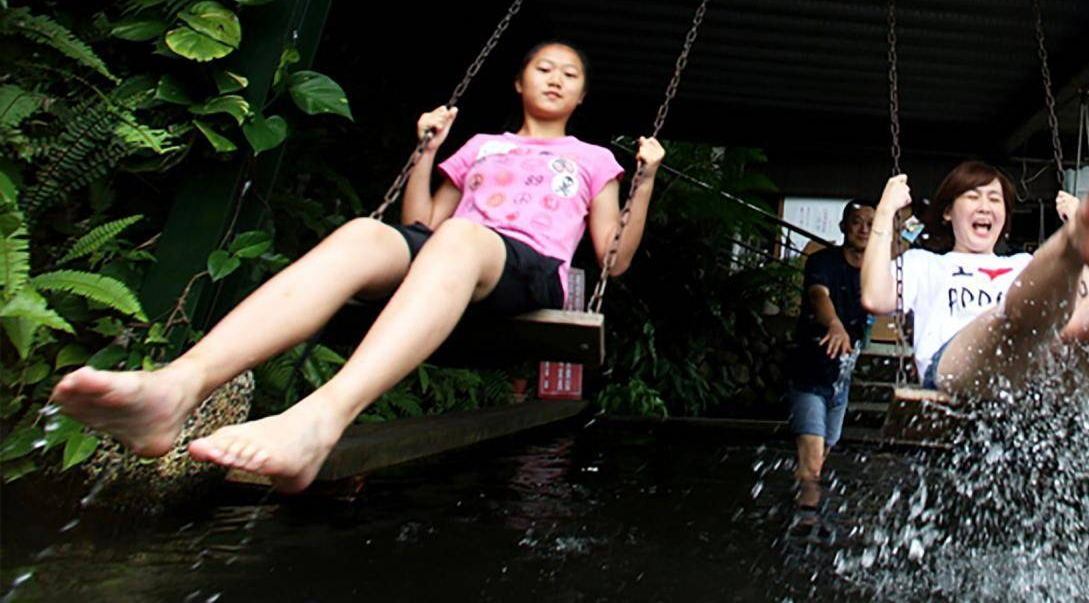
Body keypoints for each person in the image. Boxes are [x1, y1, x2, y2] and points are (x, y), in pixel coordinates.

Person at [50, 41, 664, 492]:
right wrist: (427, 150)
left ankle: (319, 421)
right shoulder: (481, 146)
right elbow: (421, 223)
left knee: (461, 239)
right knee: (365, 234)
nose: (555, 78)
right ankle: (177, 387)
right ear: (519, 81)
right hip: (456, 249)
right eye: (543, 67)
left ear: (582, 95)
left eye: (570, 74)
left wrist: (647, 177)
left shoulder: (590, 160)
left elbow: (616, 254)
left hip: (527, 271)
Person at [860, 137, 1089, 397]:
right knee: (1011, 321)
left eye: (995, 199)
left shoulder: (1024, 265)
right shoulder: (925, 265)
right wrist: (886, 210)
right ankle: (1079, 236)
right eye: (972, 197)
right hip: (959, 365)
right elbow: (875, 295)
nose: (985, 206)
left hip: (1042, 368)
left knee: (1087, 332)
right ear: (946, 211)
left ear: (1004, 216)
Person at [786, 198, 875, 514]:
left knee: (818, 461)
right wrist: (834, 323)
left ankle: (799, 511)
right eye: (856, 222)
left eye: (870, 223)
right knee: (812, 466)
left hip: (840, 383)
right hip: (810, 376)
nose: (863, 229)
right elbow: (817, 294)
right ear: (843, 227)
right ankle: (804, 528)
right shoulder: (823, 262)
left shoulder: (874, 274)